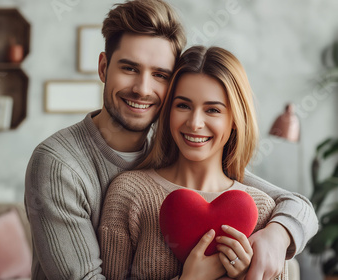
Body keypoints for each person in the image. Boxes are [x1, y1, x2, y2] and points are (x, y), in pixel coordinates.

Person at [24, 1, 318, 279]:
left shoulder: (174, 149)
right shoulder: (59, 164)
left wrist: (279, 233)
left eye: (160, 75)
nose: (142, 89)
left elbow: (289, 203)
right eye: (129, 68)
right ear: (103, 68)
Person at [99, 45, 286, 280]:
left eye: (213, 110)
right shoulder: (129, 193)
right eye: (183, 106)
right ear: (169, 111)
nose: (195, 123)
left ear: (235, 119)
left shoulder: (264, 212)